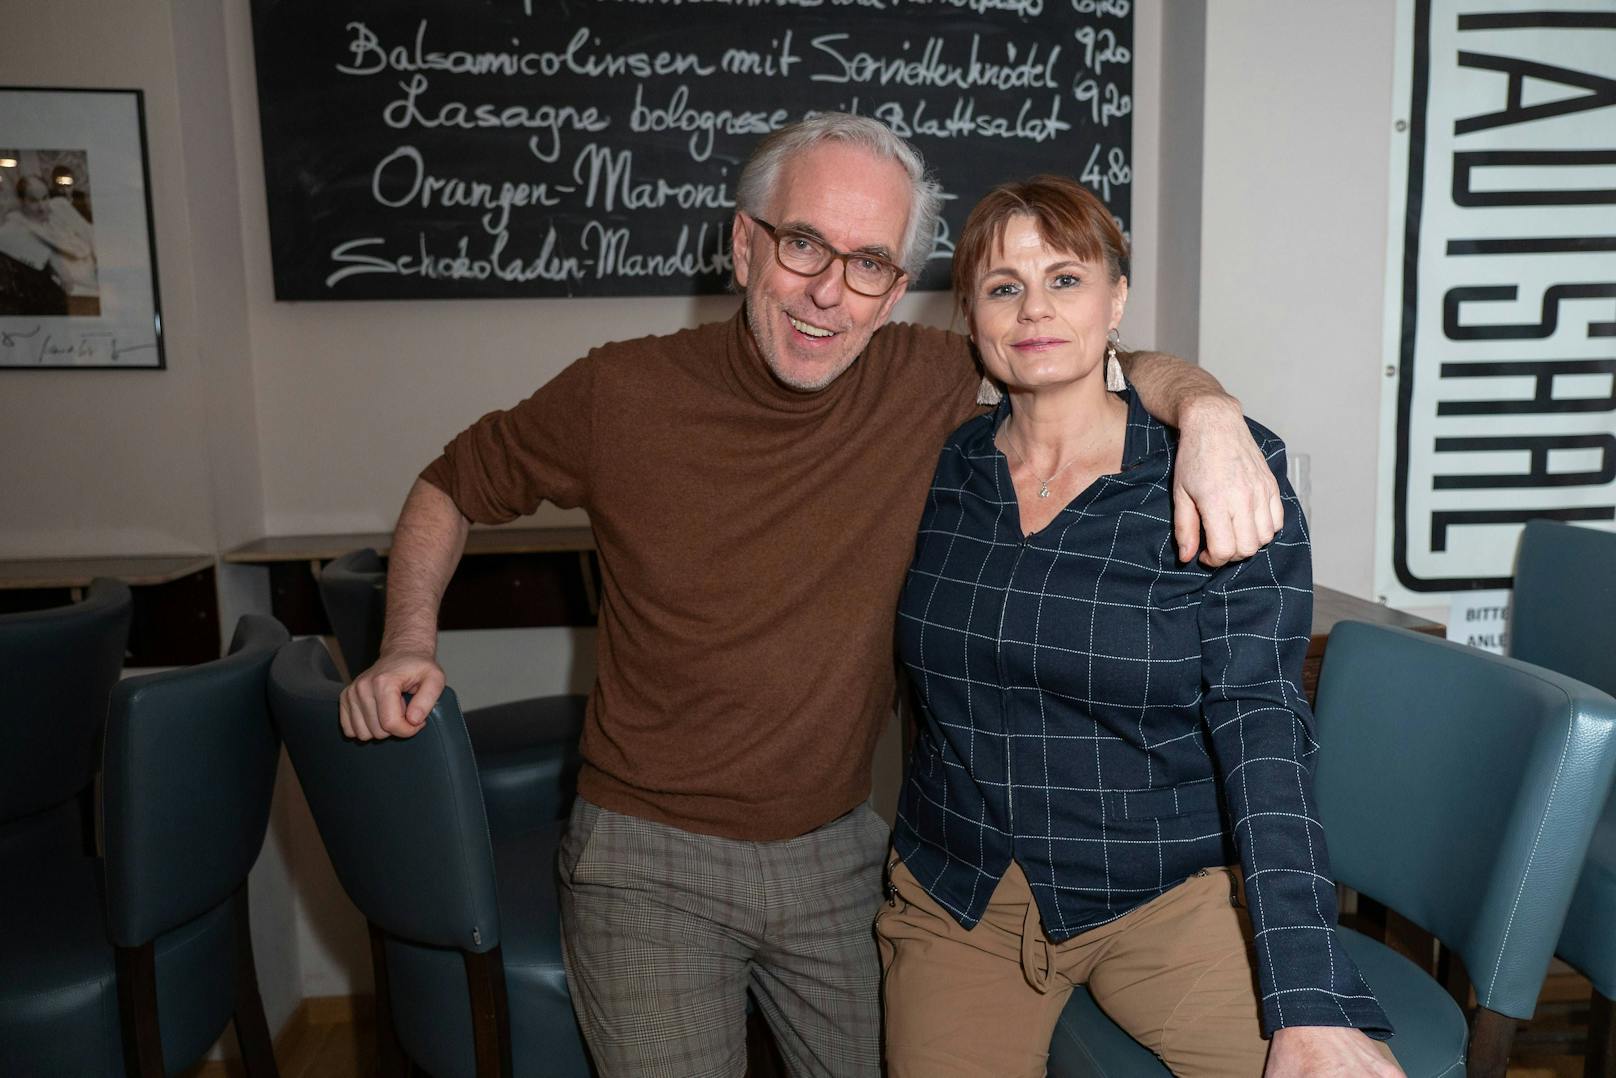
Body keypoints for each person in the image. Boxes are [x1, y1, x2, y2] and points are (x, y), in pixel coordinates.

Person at [339, 114, 1285, 1077]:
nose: (830, 291)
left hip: (839, 852)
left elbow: (1094, 355)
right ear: (746, 246)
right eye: (803, 245)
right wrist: (407, 639)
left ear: (895, 292)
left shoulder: (933, 379)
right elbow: (450, 484)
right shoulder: (618, 392)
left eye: (870, 262)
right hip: (646, 855)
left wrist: (1208, 411)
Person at [878, 174, 1398, 1078]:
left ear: (1117, 297)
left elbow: (1264, 728)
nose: (1035, 307)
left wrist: (1306, 999)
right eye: (1004, 286)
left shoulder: (1213, 472)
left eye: (1066, 279)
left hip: (1161, 890)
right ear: (970, 315)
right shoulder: (936, 469)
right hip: (964, 893)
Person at [9, 175, 98, 314]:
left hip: (96, 272)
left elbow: (88, 232)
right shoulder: (18, 223)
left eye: (45, 198)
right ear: (21, 201)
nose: (42, 207)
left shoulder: (60, 206)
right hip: (74, 290)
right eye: (33, 201)